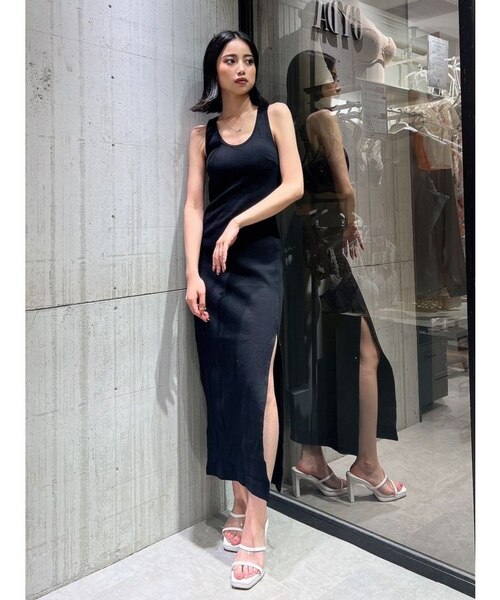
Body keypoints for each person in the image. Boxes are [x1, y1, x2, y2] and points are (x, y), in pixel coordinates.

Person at [184, 31, 303, 589]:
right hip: (213, 270)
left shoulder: (275, 115)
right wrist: (192, 274)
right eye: (231, 60)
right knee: (226, 386)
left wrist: (237, 221)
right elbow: (193, 206)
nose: (242, 69)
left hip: (259, 265)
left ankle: (257, 521)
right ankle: (236, 499)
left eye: (249, 60)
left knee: (257, 386)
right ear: (215, 69)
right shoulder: (201, 135)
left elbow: (293, 185)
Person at [283, 50, 406, 503]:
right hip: (329, 249)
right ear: (317, 81)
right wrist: (351, 223)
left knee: (313, 349)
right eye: (331, 74)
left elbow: (299, 199)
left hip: (302, 247)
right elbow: (346, 188)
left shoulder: (292, 128)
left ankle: (311, 458)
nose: (337, 82)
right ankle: (367, 465)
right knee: (366, 350)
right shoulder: (323, 120)